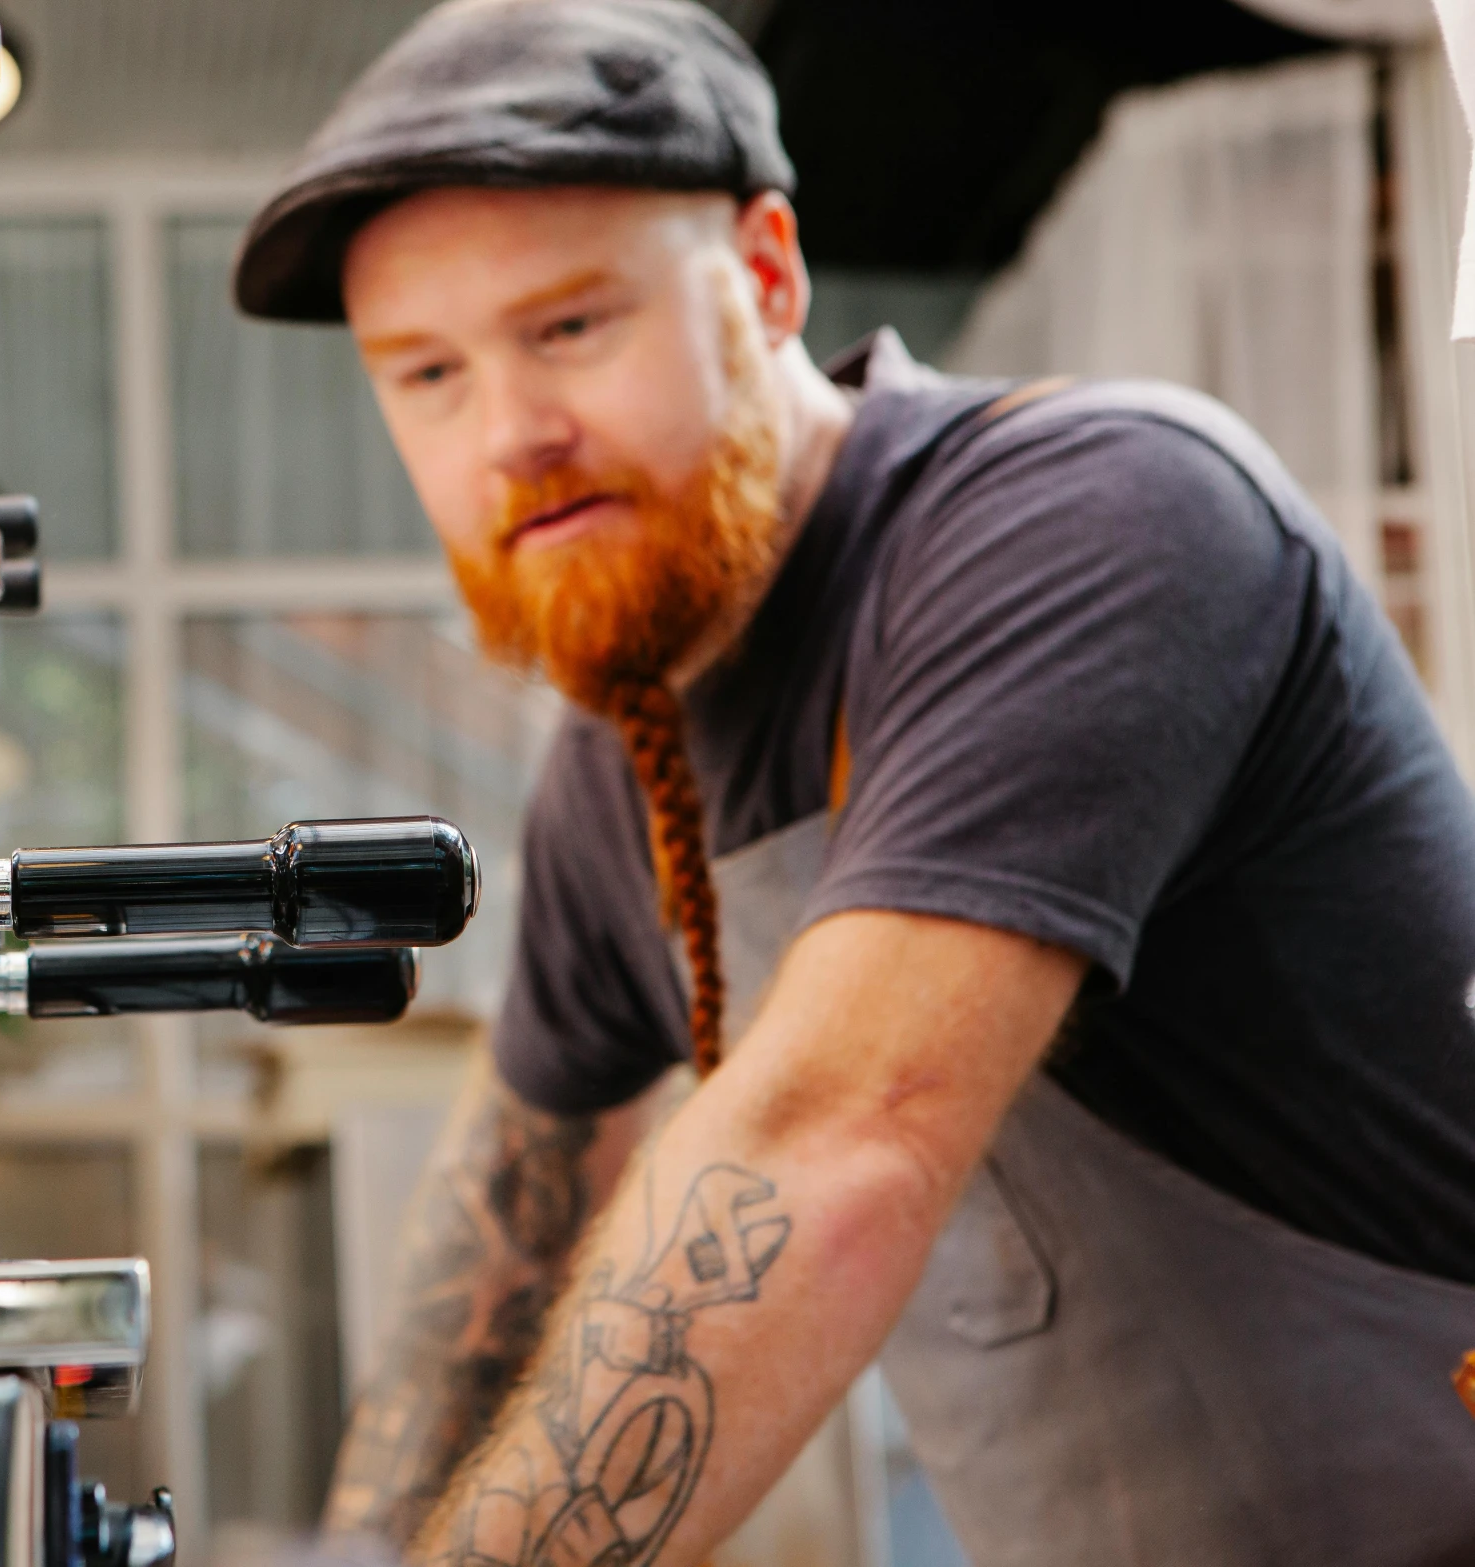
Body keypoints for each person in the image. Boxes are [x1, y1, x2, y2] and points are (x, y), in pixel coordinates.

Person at [231, 2, 1475, 1563]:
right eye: (424, 373)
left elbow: (837, 1139)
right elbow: (495, 1251)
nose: (512, 435)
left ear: (762, 276)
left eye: (568, 328)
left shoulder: (1090, 518)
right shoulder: (616, 768)